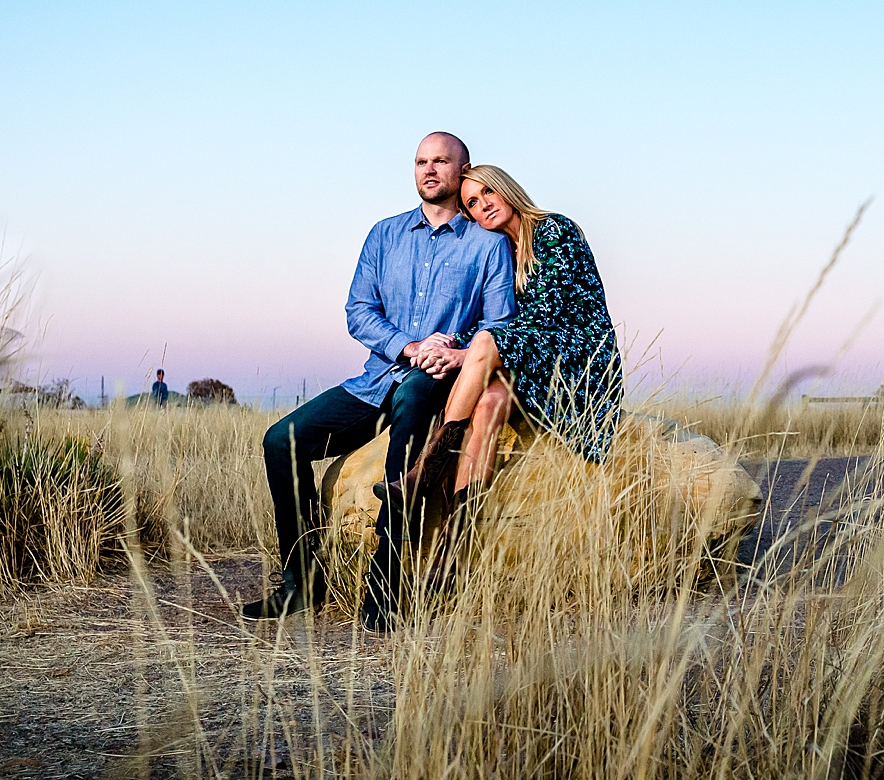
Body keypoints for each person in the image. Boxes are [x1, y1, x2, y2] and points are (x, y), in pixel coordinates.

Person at [240, 132, 515, 628]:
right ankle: (301, 583)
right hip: (377, 377)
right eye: (420, 162)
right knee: (281, 440)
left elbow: (501, 322)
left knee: (412, 408)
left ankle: (385, 586)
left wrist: (451, 351)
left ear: (463, 169)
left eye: (441, 162)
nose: (429, 170)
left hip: (436, 382)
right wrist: (408, 346)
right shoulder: (384, 235)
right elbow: (358, 311)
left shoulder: (488, 245)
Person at [386, 164, 623, 568]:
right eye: (472, 205)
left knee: (485, 342)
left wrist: (468, 352)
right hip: (532, 356)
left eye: (487, 194)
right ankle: (453, 550)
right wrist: (451, 342)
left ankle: (425, 471)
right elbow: (499, 315)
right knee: (489, 403)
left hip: (577, 357)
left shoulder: (554, 230)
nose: (483, 207)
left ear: (506, 188)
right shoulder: (502, 251)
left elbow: (544, 315)